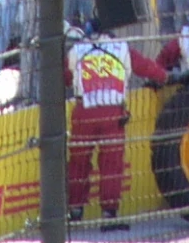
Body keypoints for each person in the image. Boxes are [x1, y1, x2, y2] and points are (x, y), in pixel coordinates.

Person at [66, 22, 167, 225]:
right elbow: (147, 67)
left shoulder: (76, 50)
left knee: (79, 162)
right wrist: (165, 77)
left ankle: (75, 211)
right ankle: (109, 214)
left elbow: (66, 78)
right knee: (111, 164)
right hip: (113, 113)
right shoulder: (122, 48)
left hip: (84, 111)